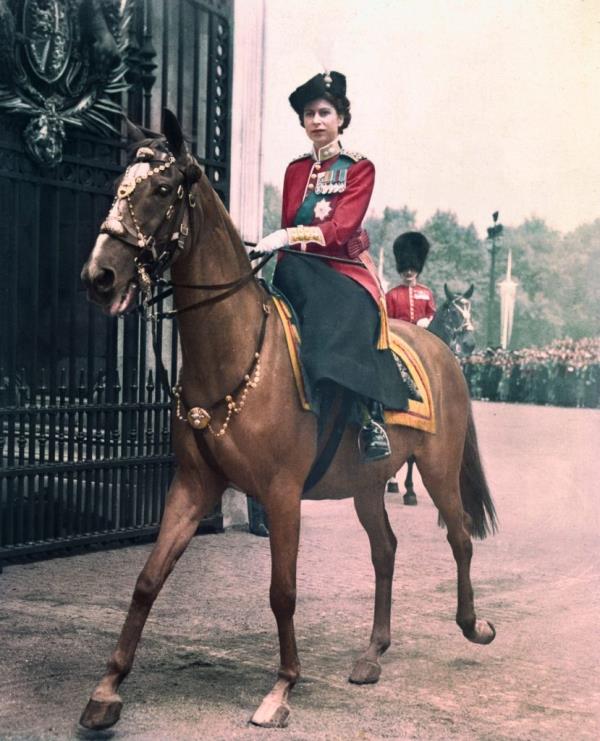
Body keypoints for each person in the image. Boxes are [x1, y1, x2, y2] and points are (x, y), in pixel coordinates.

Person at [255, 70, 409, 461]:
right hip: (297, 269)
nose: (317, 121)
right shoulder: (294, 170)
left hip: (343, 270)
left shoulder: (358, 168)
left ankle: (367, 416)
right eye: (309, 114)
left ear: (341, 117)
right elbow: (291, 221)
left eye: (325, 112)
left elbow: (340, 229)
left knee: (344, 318)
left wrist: (287, 237)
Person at [385, 232, 436, 327]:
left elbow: (432, 314)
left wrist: (427, 320)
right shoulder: (391, 295)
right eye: (405, 269)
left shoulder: (426, 293)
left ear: (418, 269)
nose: (409, 272)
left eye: (412, 269)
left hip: (422, 334)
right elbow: (388, 320)